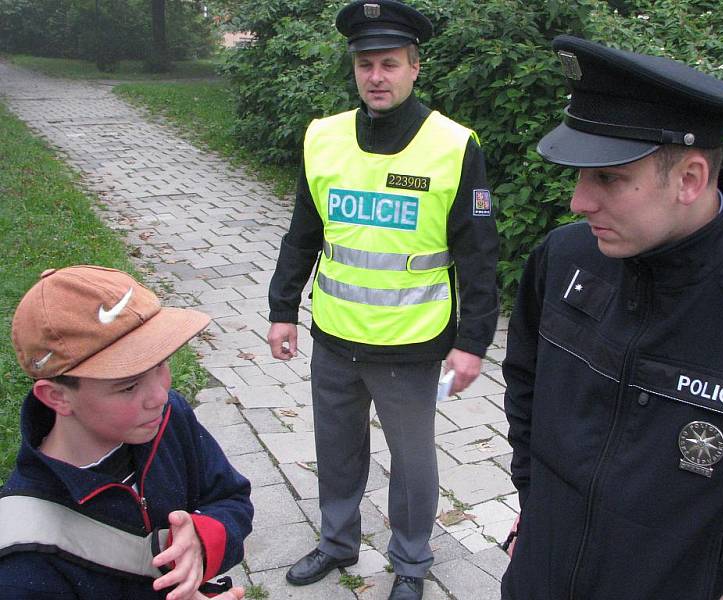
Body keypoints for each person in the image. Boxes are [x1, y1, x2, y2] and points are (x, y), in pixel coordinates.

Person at [502, 35, 723, 600]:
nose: (578, 201)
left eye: (608, 178)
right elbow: (525, 382)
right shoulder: (564, 259)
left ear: (688, 179)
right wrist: (535, 504)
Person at [266, 1, 499, 598]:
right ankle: (337, 543)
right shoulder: (323, 138)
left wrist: (472, 342)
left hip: (411, 344)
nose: (376, 76)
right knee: (337, 452)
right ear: (355, 69)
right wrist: (280, 310)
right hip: (335, 334)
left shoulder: (453, 144)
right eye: (366, 63)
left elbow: (478, 253)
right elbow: (302, 232)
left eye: (389, 63)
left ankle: (412, 564)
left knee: (413, 465)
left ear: (414, 67)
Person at [0, 265, 254, 600]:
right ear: (57, 396)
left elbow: (230, 497)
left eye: (161, 365)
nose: (160, 396)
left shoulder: (169, 418)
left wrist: (202, 541)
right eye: (129, 386)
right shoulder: (24, 560)